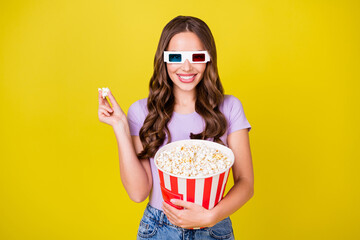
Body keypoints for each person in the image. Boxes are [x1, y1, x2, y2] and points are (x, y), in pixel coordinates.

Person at [98, 15, 254, 240]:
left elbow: (246, 183)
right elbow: (138, 192)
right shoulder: (142, 112)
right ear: (164, 60)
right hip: (159, 228)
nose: (186, 66)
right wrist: (120, 127)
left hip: (214, 226)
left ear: (209, 59)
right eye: (176, 57)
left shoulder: (230, 107)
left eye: (197, 57)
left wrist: (210, 217)